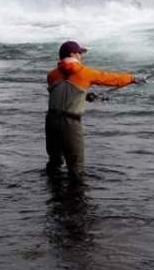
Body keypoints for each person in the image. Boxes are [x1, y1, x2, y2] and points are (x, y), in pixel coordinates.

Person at [46, 40, 144, 176]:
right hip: (71, 123)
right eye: (79, 53)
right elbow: (110, 79)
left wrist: (87, 97)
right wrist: (132, 78)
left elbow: (63, 93)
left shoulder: (51, 75)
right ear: (73, 54)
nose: (81, 56)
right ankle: (75, 195)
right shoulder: (85, 73)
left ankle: (53, 192)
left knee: (54, 161)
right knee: (76, 167)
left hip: (51, 121)